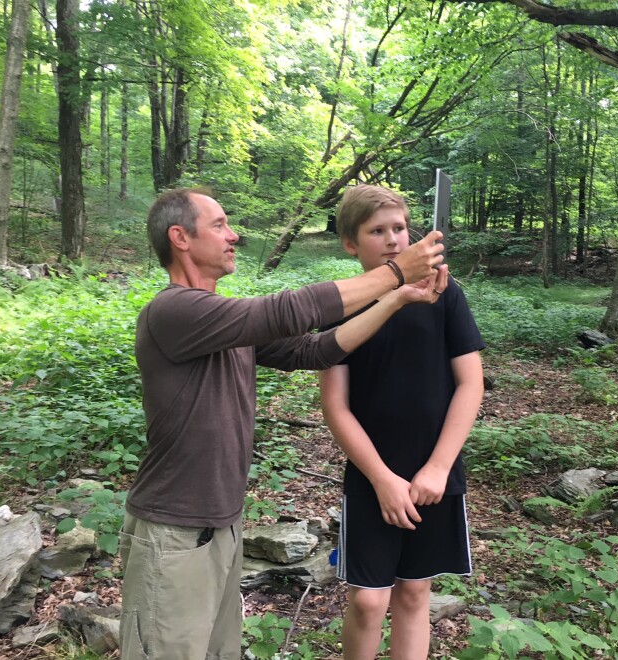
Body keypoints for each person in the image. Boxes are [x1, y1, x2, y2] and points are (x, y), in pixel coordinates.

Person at [119, 187, 448, 660]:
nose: (234, 235)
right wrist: (395, 272)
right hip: (172, 530)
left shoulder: (222, 323)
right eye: (219, 225)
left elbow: (315, 349)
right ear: (180, 237)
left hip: (221, 526)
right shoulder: (174, 311)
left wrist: (397, 299)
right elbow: (287, 311)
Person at [319, 185, 485, 660]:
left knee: (413, 594)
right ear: (351, 243)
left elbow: (470, 385)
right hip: (373, 476)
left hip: (435, 474)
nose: (393, 239)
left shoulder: (444, 292)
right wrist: (382, 480)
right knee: (370, 601)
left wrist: (436, 468)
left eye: (399, 228)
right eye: (377, 231)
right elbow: (336, 407)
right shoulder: (340, 305)